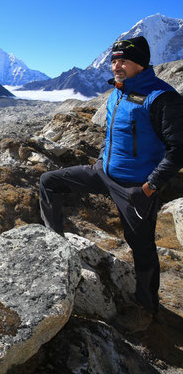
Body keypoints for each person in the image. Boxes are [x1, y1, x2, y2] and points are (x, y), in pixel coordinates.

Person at [38, 36, 183, 333]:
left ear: (140, 63)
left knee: (141, 247)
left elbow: (178, 150)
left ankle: (146, 309)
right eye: (114, 60)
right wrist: (104, 158)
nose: (116, 65)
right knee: (49, 182)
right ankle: (54, 247)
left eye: (123, 60)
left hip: (135, 187)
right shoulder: (118, 90)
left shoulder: (161, 97)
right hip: (104, 173)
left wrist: (149, 188)